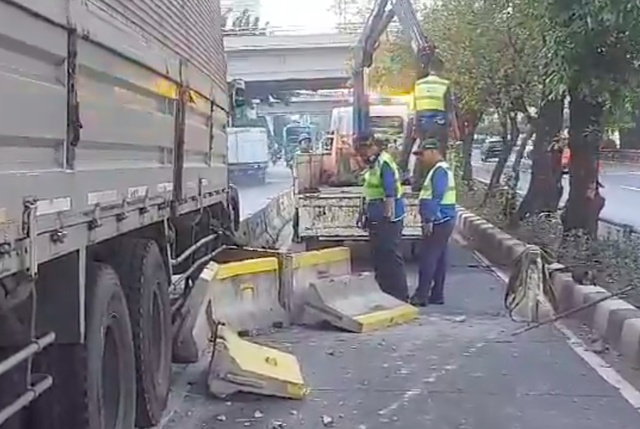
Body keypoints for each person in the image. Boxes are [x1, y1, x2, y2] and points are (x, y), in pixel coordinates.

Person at [355, 133, 409, 301]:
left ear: (372, 147)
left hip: (387, 220)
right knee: (379, 257)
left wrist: (388, 216)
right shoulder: (373, 165)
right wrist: (363, 212)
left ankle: (400, 295)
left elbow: (390, 193)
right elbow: (370, 192)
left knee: (390, 257)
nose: (362, 156)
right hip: (376, 218)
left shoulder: (384, 162)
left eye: (364, 151)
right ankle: (384, 292)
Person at [410, 139, 456, 306]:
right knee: (439, 258)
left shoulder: (439, 171)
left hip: (439, 220)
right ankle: (437, 294)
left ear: (432, 152)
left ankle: (421, 295)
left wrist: (428, 219)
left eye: (422, 154)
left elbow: (436, 196)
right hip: (444, 219)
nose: (420, 159)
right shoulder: (440, 169)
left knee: (428, 257)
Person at [411, 57, 454, 153]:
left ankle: (422, 166)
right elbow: (450, 110)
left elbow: (415, 108)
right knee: (439, 151)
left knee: (423, 150)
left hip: (422, 124)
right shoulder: (445, 84)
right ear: (441, 69)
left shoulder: (418, 84)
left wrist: (414, 127)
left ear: (429, 69)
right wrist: (454, 129)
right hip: (439, 124)